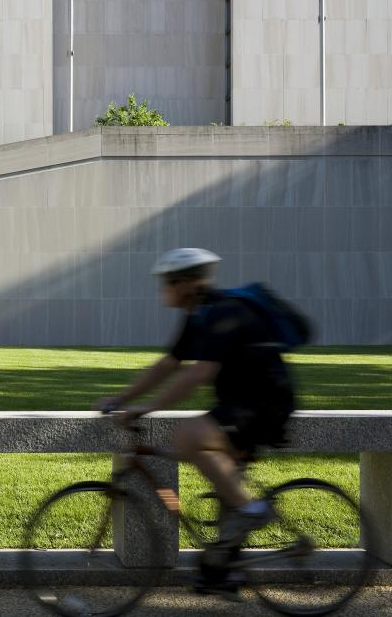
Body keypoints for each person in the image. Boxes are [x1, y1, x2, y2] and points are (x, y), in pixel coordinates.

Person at [97, 248, 298, 595]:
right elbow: (168, 365)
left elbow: (201, 373)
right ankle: (223, 572)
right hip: (241, 404)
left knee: (189, 437)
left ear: (187, 284)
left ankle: (254, 510)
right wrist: (121, 400)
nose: (163, 289)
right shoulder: (198, 315)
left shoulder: (224, 312)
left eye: (167, 283)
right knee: (215, 467)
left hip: (263, 404)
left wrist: (145, 409)